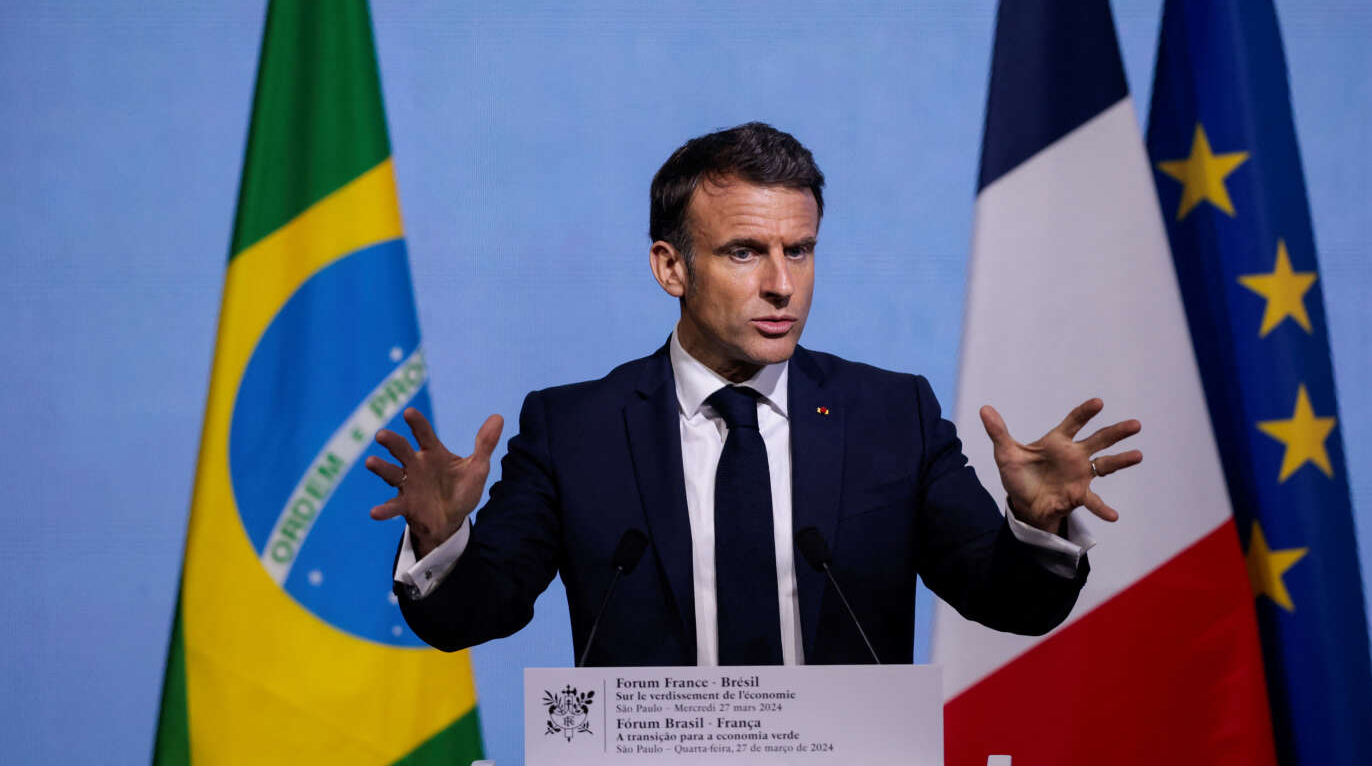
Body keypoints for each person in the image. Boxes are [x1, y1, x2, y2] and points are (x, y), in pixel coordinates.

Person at [365, 122, 1142, 665]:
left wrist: (1037, 526)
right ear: (671, 267)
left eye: (798, 250)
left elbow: (1006, 600)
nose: (781, 284)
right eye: (744, 252)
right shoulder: (575, 430)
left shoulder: (892, 417)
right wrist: (442, 541)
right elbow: (478, 612)